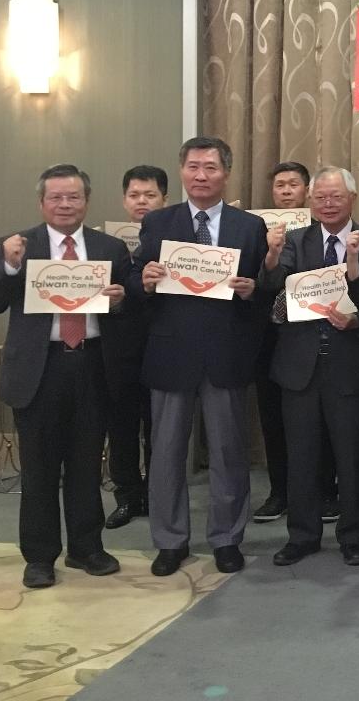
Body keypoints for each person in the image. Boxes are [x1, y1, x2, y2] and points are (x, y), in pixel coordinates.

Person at [0, 164, 131, 588]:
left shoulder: (110, 248)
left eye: (73, 197)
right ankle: (39, 558)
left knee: (85, 464)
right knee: (40, 470)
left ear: (86, 201)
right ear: (42, 202)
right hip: (39, 370)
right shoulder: (18, 246)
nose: (65, 204)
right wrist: (7, 267)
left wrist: (118, 301)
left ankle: (87, 549)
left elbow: (130, 311)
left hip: (92, 365)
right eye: (56, 197)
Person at [128, 136, 269, 577]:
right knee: (167, 453)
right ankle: (170, 541)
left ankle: (227, 538)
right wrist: (144, 280)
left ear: (226, 173)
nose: (201, 175)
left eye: (210, 167)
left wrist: (253, 290)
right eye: (193, 167)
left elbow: (265, 291)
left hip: (225, 354)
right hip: (172, 354)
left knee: (229, 453)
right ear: (182, 171)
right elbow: (134, 284)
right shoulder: (158, 222)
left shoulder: (249, 227)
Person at [259, 167, 359, 567]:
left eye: (336, 197)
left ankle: (353, 536)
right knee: (301, 457)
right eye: (320, 198)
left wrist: (353, 269)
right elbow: (273, 287)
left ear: (353, 198)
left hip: (351, 366)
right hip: (299, 366)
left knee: (351, 458)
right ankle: (302, 535)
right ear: (311, 202)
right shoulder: (296, 240)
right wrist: (272, 256)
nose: (327, 204)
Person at [252, 161, 339, 525]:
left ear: (308, 192)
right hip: (270, 335)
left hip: (314, 335)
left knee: (321, 419)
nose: (286, 191)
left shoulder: (323, 230)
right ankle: (279, 491)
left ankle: (326, 491)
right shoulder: (255, 227)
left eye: (293, 185)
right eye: (280, 185)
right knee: (273, 418)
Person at [103, 165, 168, 530]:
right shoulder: (107, 245)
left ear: (164, 199)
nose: (141, 201)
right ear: (124, 200)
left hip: (161, 346)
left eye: (150, 195)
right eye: (134, 195)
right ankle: (128, 497)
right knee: (122, 428)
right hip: (119, 348)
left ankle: (159, 497)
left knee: (160, 430)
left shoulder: (175, 239)